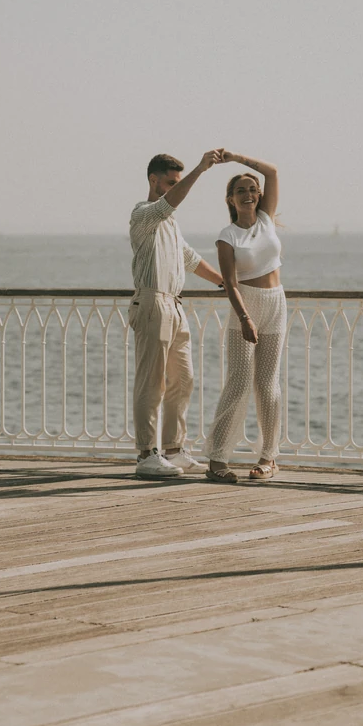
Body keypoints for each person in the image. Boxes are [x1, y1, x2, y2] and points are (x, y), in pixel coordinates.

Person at [129, 151, 226, 478]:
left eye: (176, 183)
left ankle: (173, 449)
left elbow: (191, 259)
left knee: (183, 379)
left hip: (175, 305)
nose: (174, 188)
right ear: (153, 180)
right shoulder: (143, 214)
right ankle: (146, 454)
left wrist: (225, 283)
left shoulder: (170, 223)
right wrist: (201, 169)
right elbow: (167, 204)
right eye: (170, 182)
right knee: (151, 383)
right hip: (152, 301)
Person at [205, 151, 285, 484]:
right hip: (246, 305)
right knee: (238, 383)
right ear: (231, 200)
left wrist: (236, 158)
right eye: (241, 191)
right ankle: (217, 459)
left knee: (268, 386)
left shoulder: (266, 219)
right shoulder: (227, 236)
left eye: (252, 189)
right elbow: (230, 282)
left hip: (276, 302)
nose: (248, 194)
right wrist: (245, 318)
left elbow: (272, 171)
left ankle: (269, 458)